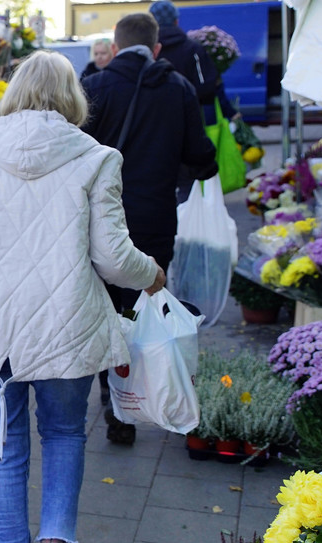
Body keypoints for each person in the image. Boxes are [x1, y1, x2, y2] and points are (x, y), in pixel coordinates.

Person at [0, 50, 166, 543]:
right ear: (72, 96)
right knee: (62, 432)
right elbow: (110, 257)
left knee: (2, 446)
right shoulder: (97, 156)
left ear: (13, 93)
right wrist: (151, 274)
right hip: (66, 324)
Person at [81, 12, 217, 444]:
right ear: (157, 49)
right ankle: (151, 395)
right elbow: (200, 156)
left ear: (116, 48)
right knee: (144, 309)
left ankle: (116, 404)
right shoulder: (178, 88)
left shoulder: (97, 86)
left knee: (109, 310)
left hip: (104, 225)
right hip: (157, 220)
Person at [148, 0, 226, 202]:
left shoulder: (147, 53)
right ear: (176, 21)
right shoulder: (192, 49)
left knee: (157, 187)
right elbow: (207, 89)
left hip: (151, 131)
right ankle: (182, 229)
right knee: (185, 188)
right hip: (185, 129)